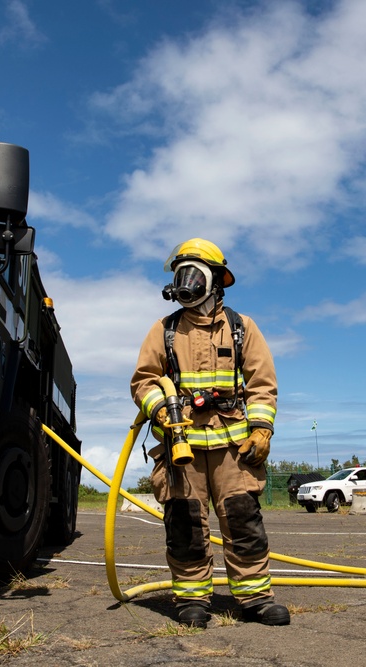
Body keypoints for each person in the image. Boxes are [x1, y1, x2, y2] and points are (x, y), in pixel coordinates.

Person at [130, 238, 289, 628]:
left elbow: (262, 384)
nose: (185, 282)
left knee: (242, 520)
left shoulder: (241, 328)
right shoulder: (165, 331)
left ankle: (254, 598)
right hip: (180, 449)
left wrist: (262, 430)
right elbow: (144, 381)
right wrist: (159, 410)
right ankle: (191, 600)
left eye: (192, 273)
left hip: (233, 451)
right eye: (180, 274)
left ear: (214, 280)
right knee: (184, 523)